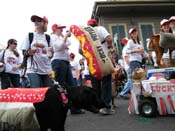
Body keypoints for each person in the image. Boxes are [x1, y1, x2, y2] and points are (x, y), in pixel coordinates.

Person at [82, 18, 115, 115]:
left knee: (96, 86)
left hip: (92, 63)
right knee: (106, 84)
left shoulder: (85, 33)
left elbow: (80, 50)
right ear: (96, 24)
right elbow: (109, 38)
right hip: (103, 60)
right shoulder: (100, 28)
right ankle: (106, 107)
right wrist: (109, 46)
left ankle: (98, 107)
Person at [51, 23, 85, 114]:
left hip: (65, 62)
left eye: (62, 29)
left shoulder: (60, 37)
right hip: (58, 61)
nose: (62, 30)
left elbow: (68, 43)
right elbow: (58, 47)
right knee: (60, 86)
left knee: (71, 85)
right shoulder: (53, 37)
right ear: (55, 29)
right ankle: (58, 108)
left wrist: (63, 36)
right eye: (60, 29)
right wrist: (65, 36)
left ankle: (74, 108)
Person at [20, 15, 53, 88]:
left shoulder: (48, 37)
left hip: (46, 69)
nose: (36, 22)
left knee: (48, 92)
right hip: (33, 69)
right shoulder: (30, 35)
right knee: (36, 89)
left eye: (39, 20)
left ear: (45, 23)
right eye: (35, 21)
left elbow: (50, 55)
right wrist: (28, 52)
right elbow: (24, 52)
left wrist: (51, 53)